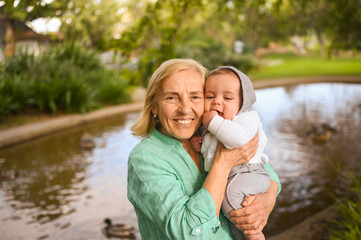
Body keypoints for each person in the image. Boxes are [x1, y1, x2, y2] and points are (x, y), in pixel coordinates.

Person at [127, 59, 281, 239]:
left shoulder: (212, 134)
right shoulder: (145, 159)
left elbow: (265, 170)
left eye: (195, 97)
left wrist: (267, 200)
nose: (185, 109)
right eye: (171, 97)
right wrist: (223, 163)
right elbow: (188, 234)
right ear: (154, 106)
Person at [191, 66, 270, 240]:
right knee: (228, 218)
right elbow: (212, 148)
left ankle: (255, 232)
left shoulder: (247, 117)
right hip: (229, 175)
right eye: (210, 96)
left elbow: (237, 140)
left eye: (227, 98)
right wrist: (200, 144)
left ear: (242, 102)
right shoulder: (214, 125)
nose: (217, 102)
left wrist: (212, 121)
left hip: (248, 171)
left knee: (229, 197)